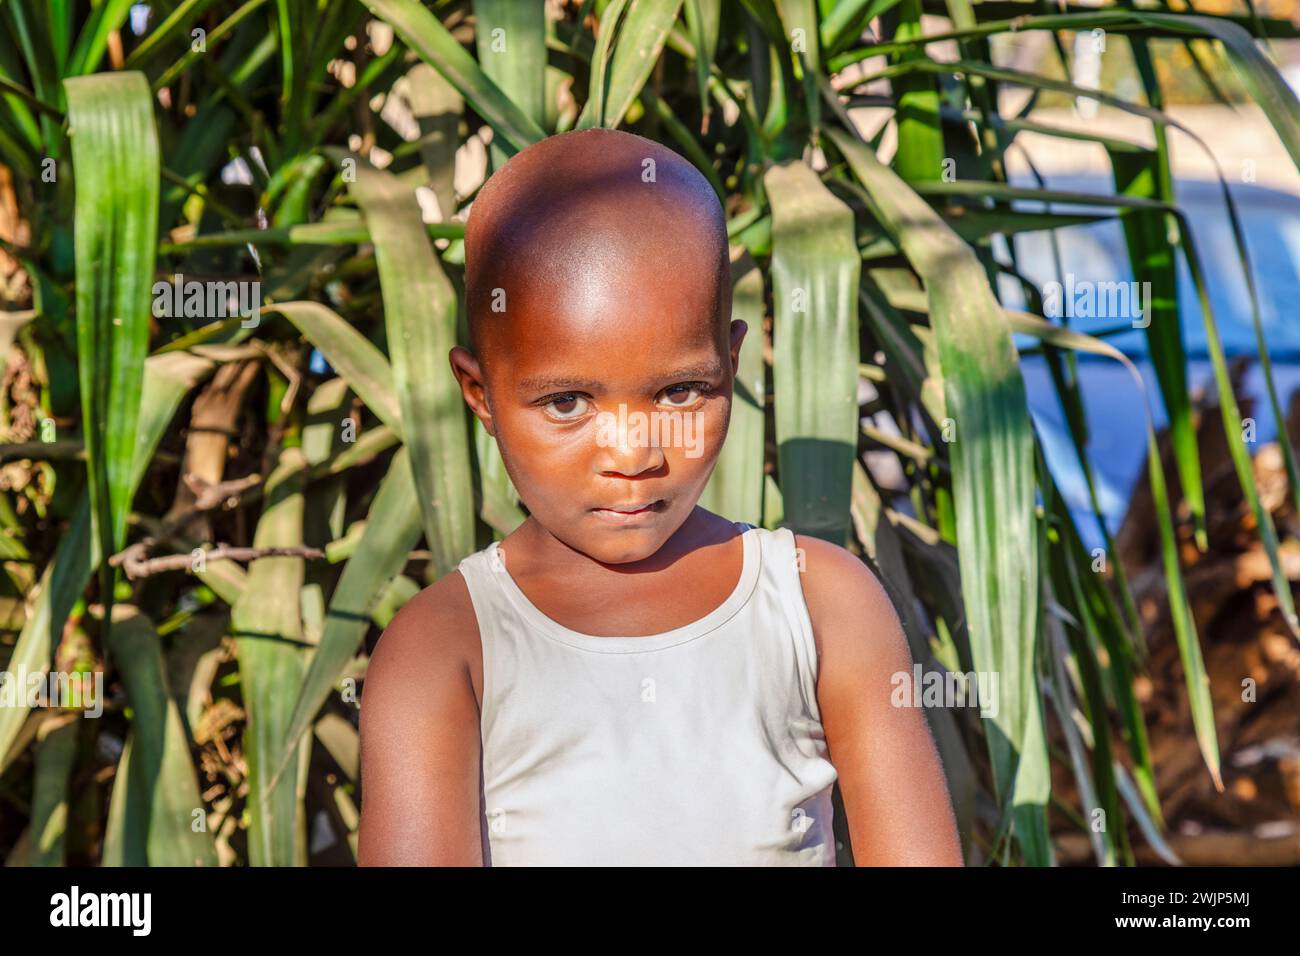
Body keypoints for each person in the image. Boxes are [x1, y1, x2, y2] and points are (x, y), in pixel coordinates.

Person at [355, 127, 963, 866]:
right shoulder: (444, 649)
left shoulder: (822, 606)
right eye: (568, 403)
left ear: (730, 365)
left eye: (680, 391)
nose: (634, 454)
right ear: (479, 394)